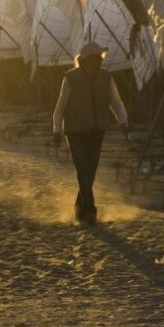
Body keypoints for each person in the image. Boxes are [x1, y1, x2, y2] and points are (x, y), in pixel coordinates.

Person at [51, 41, 128, 224]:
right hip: (75, 130)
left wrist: (123, 120)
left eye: (101, 57)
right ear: (85, 60)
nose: (100, 61)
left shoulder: (106, 77)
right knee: (82, 168)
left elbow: (115, 101)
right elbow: (61, 106)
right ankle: (91, 210)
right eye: (96, 57)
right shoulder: (70, 78)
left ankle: (80, 210)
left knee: (90, 171)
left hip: (97, 128)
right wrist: (57, 129)